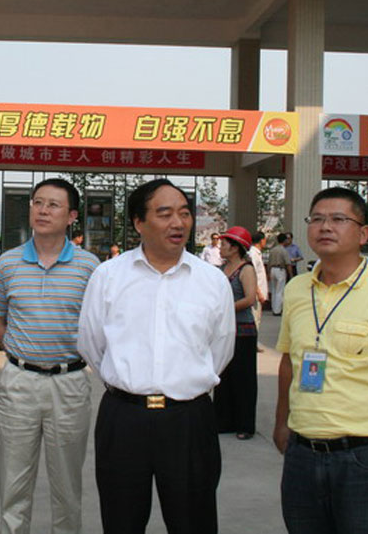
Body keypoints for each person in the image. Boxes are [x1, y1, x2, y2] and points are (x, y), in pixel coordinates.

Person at [78, 178, 235, 534]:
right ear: (138, 223)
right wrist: (128, 382)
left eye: (183, 213)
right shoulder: (108, 276)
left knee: (193, 520)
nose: (177, 223)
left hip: (189, 420)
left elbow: (220, 349)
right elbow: (92, 344)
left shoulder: (211, 281)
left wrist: (186, 381)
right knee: (121, 520)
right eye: (164, 214)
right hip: (124, 418)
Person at [274, 187, 368, 534]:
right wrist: (282, 422)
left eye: (339, 219)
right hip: (302, 453)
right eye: (317, 219)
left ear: (363, 233)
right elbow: (288, 362)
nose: (325, 226)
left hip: (365, 459)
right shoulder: (298, 290)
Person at [0, 178, 99, 534]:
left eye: (53, 205)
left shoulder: (90, 267)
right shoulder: (7, 264)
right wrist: (21, 353)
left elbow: (98, 326)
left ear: (72, 217)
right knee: (14, 484)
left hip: (70, 384)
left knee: (67, 486)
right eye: (38, 202)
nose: (43, 210)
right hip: (19, 382)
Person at [212, 226, 259, 440]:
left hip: (243, 332)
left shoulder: (245, 269)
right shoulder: (222, 269)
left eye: (224, 244)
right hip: (225, 331)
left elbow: (250, 299)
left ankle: (244, 424)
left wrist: (225, 308)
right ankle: (223, 420)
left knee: (243, 378)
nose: (220, 247)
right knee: (223, 377)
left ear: (236, 247)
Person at [268, 233, 294, 316]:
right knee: (280, 290)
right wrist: (291, 275)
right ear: (285, 240)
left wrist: (268, 272)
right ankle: (277, 310)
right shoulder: (283, 250)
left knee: (274, 289)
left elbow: (269, 262)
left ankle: (273, 308)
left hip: (272, 269)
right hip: (280, 270)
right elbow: (288, 263)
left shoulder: (273, 250)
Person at [249, 230, 269, 328]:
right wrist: (259, 293)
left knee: (257, 319)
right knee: (255, 320)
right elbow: (252, 275)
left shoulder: (257, 254)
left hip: (258, 292)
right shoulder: (253, 254)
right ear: (261, 241)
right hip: (256, 293)